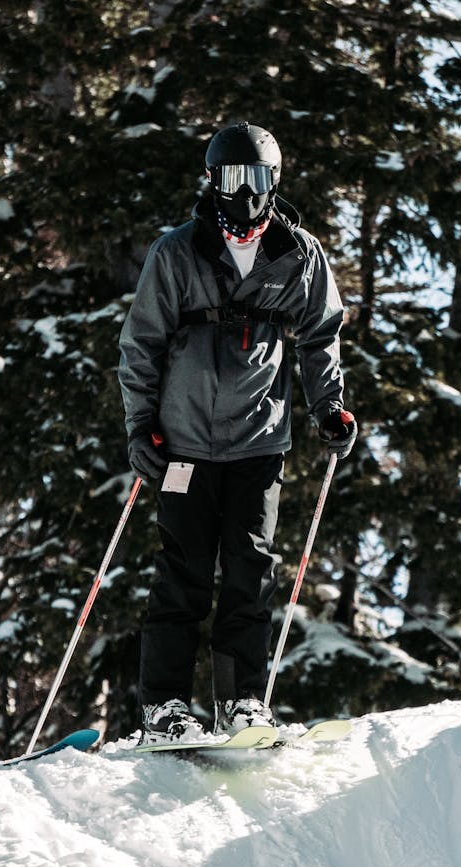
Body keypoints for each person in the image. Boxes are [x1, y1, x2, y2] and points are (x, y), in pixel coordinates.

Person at [118, 121, 357, 745]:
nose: (242, 192)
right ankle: (165, 707)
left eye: (254, 179)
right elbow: (141, 342)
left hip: (258, 443)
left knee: (250, 575)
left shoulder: (298, 254)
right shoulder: (178, 252)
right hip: (182, 445)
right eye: (230, 177)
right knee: (184, 575)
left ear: (272, 183)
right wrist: (141, 424)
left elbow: (319, 335)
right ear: (212, 180)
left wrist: (327, 408)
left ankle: (241, 705)